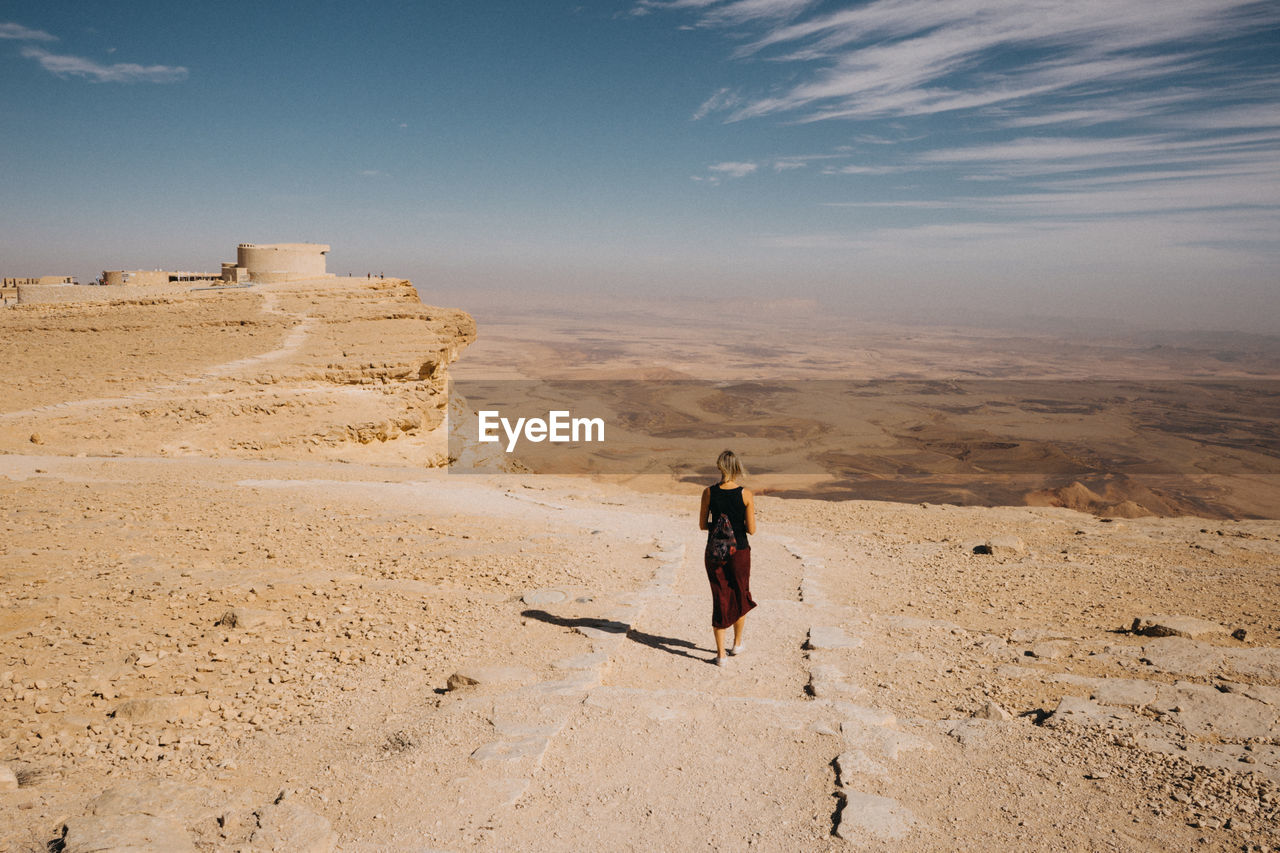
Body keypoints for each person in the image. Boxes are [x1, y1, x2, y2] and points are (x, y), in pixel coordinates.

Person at [699, 449, 757, 666]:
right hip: (739, 551)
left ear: (719, 467)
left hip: (714, 552)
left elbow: (703, 524)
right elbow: (752, 530)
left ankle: (721, 655)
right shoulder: (745, 494)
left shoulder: (708, 492)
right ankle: (737, 643)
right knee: (740, 593)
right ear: (737, 468)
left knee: (720, 595)